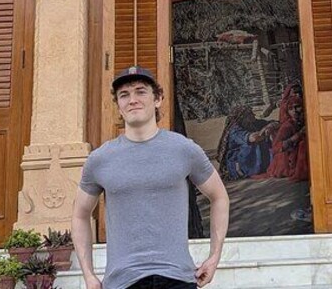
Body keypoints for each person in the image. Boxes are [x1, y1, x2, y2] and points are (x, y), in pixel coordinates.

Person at [72, 66, 230, 289]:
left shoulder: (184, 149)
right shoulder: (100, 159)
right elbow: (80, 215)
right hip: (123, 282)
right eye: (124, 95)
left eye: (140, 91)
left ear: (158, 99)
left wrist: (214, 257)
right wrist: (88, 275)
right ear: (118, 105)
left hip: (177, 279)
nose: (132, 100)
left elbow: (219, 197)